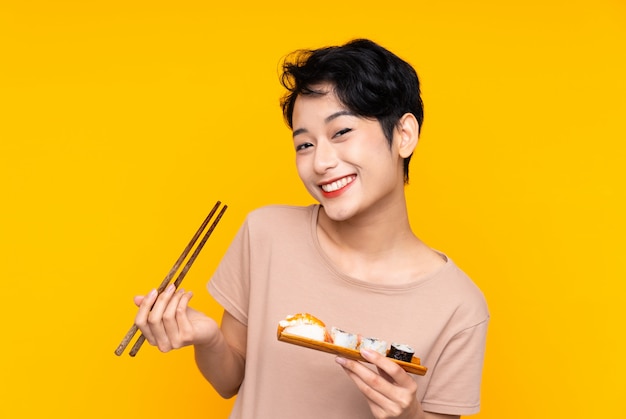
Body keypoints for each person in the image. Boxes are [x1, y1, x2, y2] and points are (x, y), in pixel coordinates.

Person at [133, 38, 489, 419]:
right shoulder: (265, 233)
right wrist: (208, 339)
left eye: (341, 133)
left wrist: (410, 416)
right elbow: (229, 380)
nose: (320, 162)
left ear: (404, 135)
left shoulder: (460, 306)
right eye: (304, 144)